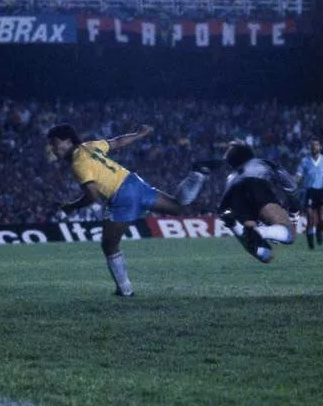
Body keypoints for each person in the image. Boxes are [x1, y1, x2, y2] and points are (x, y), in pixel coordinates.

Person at [47, 123, 208, 297]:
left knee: (109, 244)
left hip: (122, 197)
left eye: (55, 143)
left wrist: (71, 206)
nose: (53, 148)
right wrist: (139, 134)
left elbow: (92, 196)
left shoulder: (78, 163)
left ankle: (125, 290)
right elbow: (117, 142)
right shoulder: (89, 146)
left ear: (67, 141)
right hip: (134, 182)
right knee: (179, 207)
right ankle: (197, 175)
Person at [217, 140, 298, 263]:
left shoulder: (230, 178)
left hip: (232, 197)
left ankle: (235, 225)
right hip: (255, 186)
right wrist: (294, 203)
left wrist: (230, 222)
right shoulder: (259, 163)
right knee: (289, 234)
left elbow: (222, 207)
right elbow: (289, 183)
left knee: (266, 256)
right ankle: (259, 231)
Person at [295, 139, 323, 249]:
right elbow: (298, 175)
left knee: (322, 220)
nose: (314, 147)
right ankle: (311, 244)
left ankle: (319, 232)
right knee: (310, 219)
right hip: (309, 191)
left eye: (316, 145)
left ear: (320, 147)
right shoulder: (304, 161)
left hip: (322, 191)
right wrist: (294, 181)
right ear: (310, 148)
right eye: (312, 145)